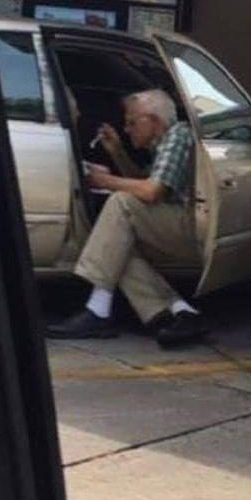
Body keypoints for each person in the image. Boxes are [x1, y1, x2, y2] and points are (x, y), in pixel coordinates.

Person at [46, 88, 209, 347]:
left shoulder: (178, 136)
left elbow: (151, 192)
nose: (126, 128)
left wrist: (103, 180)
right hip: (172, 223)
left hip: (192, 225)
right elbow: (144, 182)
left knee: (121, 203)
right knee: (117, 247)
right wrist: (117, 152)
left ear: (153, 121)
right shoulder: (161, 144)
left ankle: (98, 308)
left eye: (131, 122)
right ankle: (180, 311)